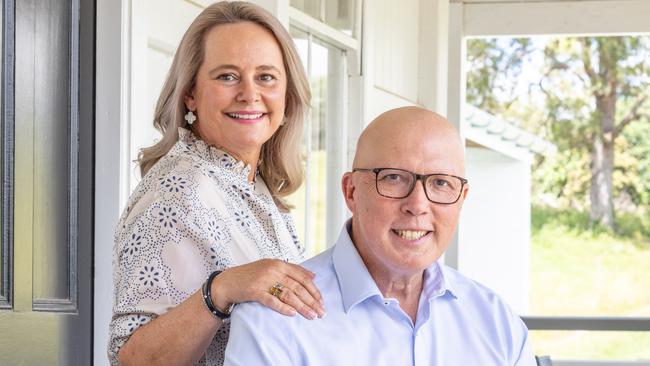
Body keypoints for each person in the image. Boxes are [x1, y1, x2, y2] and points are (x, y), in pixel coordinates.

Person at [224, 107, 537, 365]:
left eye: (441, 183)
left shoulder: (497, 324)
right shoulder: (274, 320)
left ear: (462, 197)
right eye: (393, 178)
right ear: (351, 191)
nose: (417, 205)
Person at [108, 2, 326, 365]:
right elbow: (132, 359)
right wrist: (220, 290)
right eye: (227, 76)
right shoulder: (177, 190)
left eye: (266, 77)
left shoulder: (251, 188)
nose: (249, 93)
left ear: (287, 96)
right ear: (190, 93)